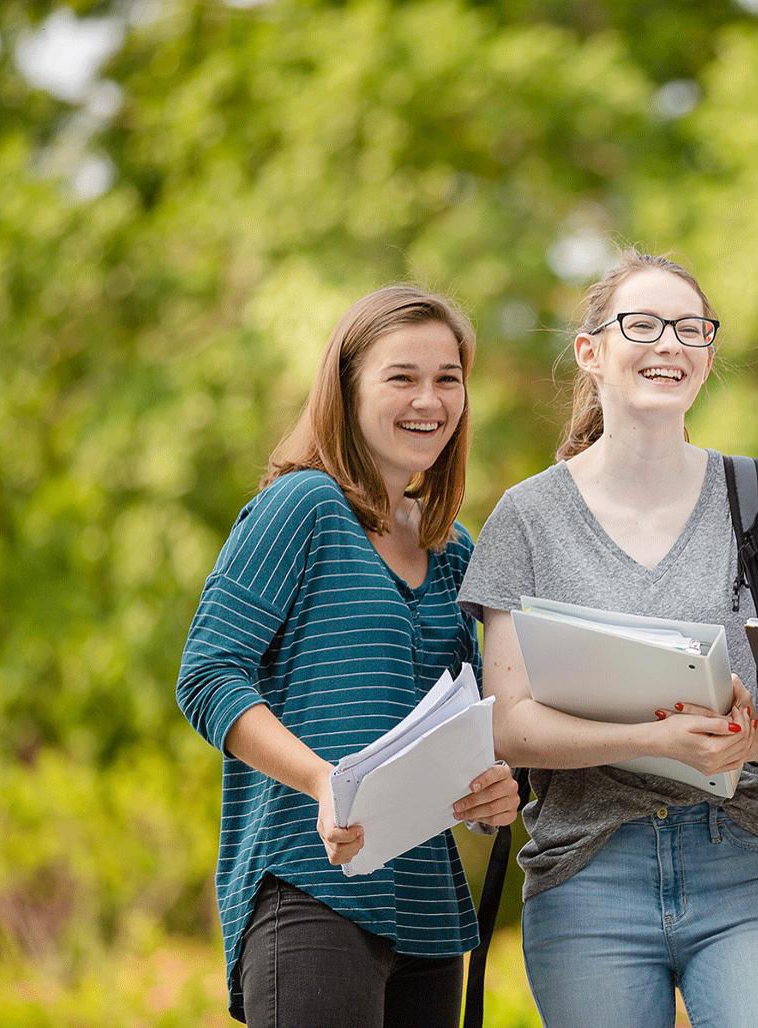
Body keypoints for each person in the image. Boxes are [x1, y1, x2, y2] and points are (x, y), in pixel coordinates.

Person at [457, 251, 758, 1028]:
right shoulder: (527, 520)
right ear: (591, 352)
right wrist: (654, 741)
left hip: (750, 854)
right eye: (644, 325)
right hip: (590, 868)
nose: (670, 344)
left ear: (709, 355)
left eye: (691, 329)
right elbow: (505, 722)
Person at [176, 285, 521, 1027]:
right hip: (310, 884)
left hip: (428, 911)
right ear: (347, 388)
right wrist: (321, 781)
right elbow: (207, 674)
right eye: (402, 377)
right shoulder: (303, 506)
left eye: (447, 378)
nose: (428, 400)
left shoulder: (454, 550)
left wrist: (490, 794)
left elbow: (460, 726)